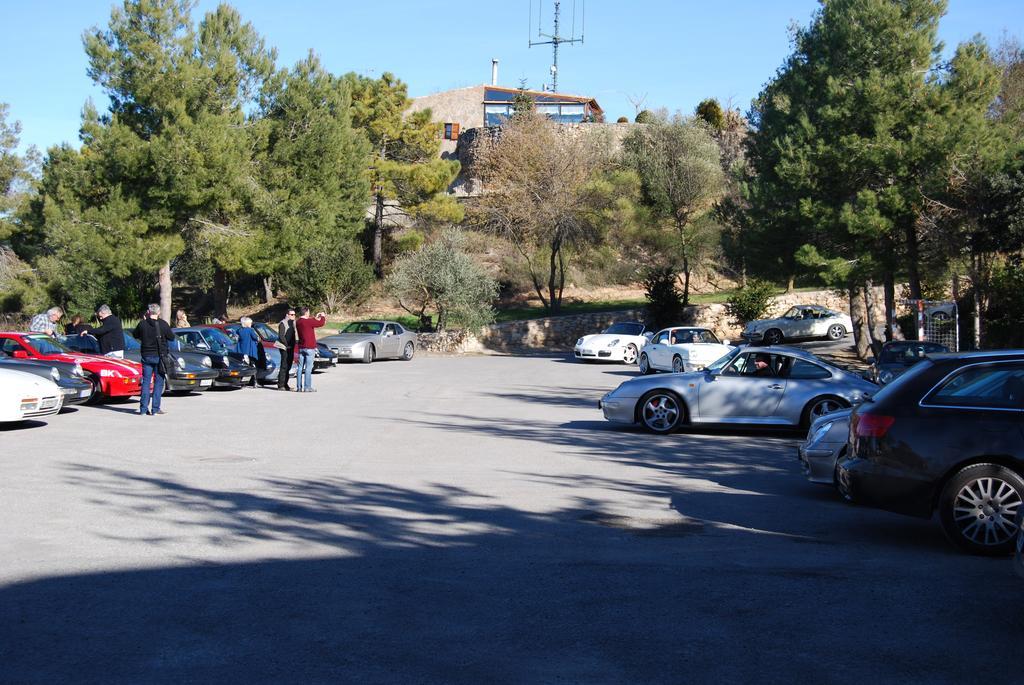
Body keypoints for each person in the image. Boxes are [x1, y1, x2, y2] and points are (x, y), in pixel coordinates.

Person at [132, 304, 175, 416]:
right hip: (160, 356)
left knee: (146, 382)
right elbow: (172, 337)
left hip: (146, 355)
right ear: (159, 312)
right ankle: (155, 409)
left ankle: (143, 409)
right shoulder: (163, 324)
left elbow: (135, 335)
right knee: (158, 382)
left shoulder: (142, 324)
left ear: (148, 312)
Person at [295, 307, 326, 392]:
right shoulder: (308, 321)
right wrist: (323, 316)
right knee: (308, 368)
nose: (309, 313)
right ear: (306, 313)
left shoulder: (298, 322)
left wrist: (315, 318)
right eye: (308, 312)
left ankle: (299, 387)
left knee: (300, 368)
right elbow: (321, 323)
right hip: (309, 348)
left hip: (301, 347)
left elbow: (310, 322)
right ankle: (307, 387)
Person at [235, 316, 263, 387]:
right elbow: (255, 338)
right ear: (247, 324)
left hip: (242, 350)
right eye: (250, 323)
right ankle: (254, 382)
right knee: (253, 366)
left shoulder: (239, 330)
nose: (251, 324)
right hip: (250, 351)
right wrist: (258, 339)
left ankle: (243, 382)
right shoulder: (250, 330)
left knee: (244, 366)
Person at [277, 308, 297, 391]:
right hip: (284, 347)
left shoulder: (293, 323)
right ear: (287, 315)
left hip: (291, 347)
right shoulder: (283, 323)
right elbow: (281, 336)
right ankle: (281, 385)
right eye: (291, 314)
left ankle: (286, 384)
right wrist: (287, 345)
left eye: (294, 314)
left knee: (288, 366)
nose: (293, 316)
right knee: (284, 366)